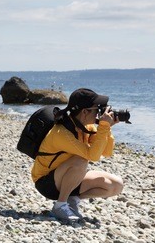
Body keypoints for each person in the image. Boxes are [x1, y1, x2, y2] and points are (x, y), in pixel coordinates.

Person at [31, 88, 124, 222]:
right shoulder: (61, 132)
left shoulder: (87, 127)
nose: (99, 113)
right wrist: (103, 126)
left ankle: (72, 199)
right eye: (97, 109)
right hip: (46, 183)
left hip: (68, 176)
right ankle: (60, 205)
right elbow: (92, 156)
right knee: (81, 160)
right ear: (85, 111)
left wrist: (107, 128)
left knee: (115, 185)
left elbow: (106, 152)